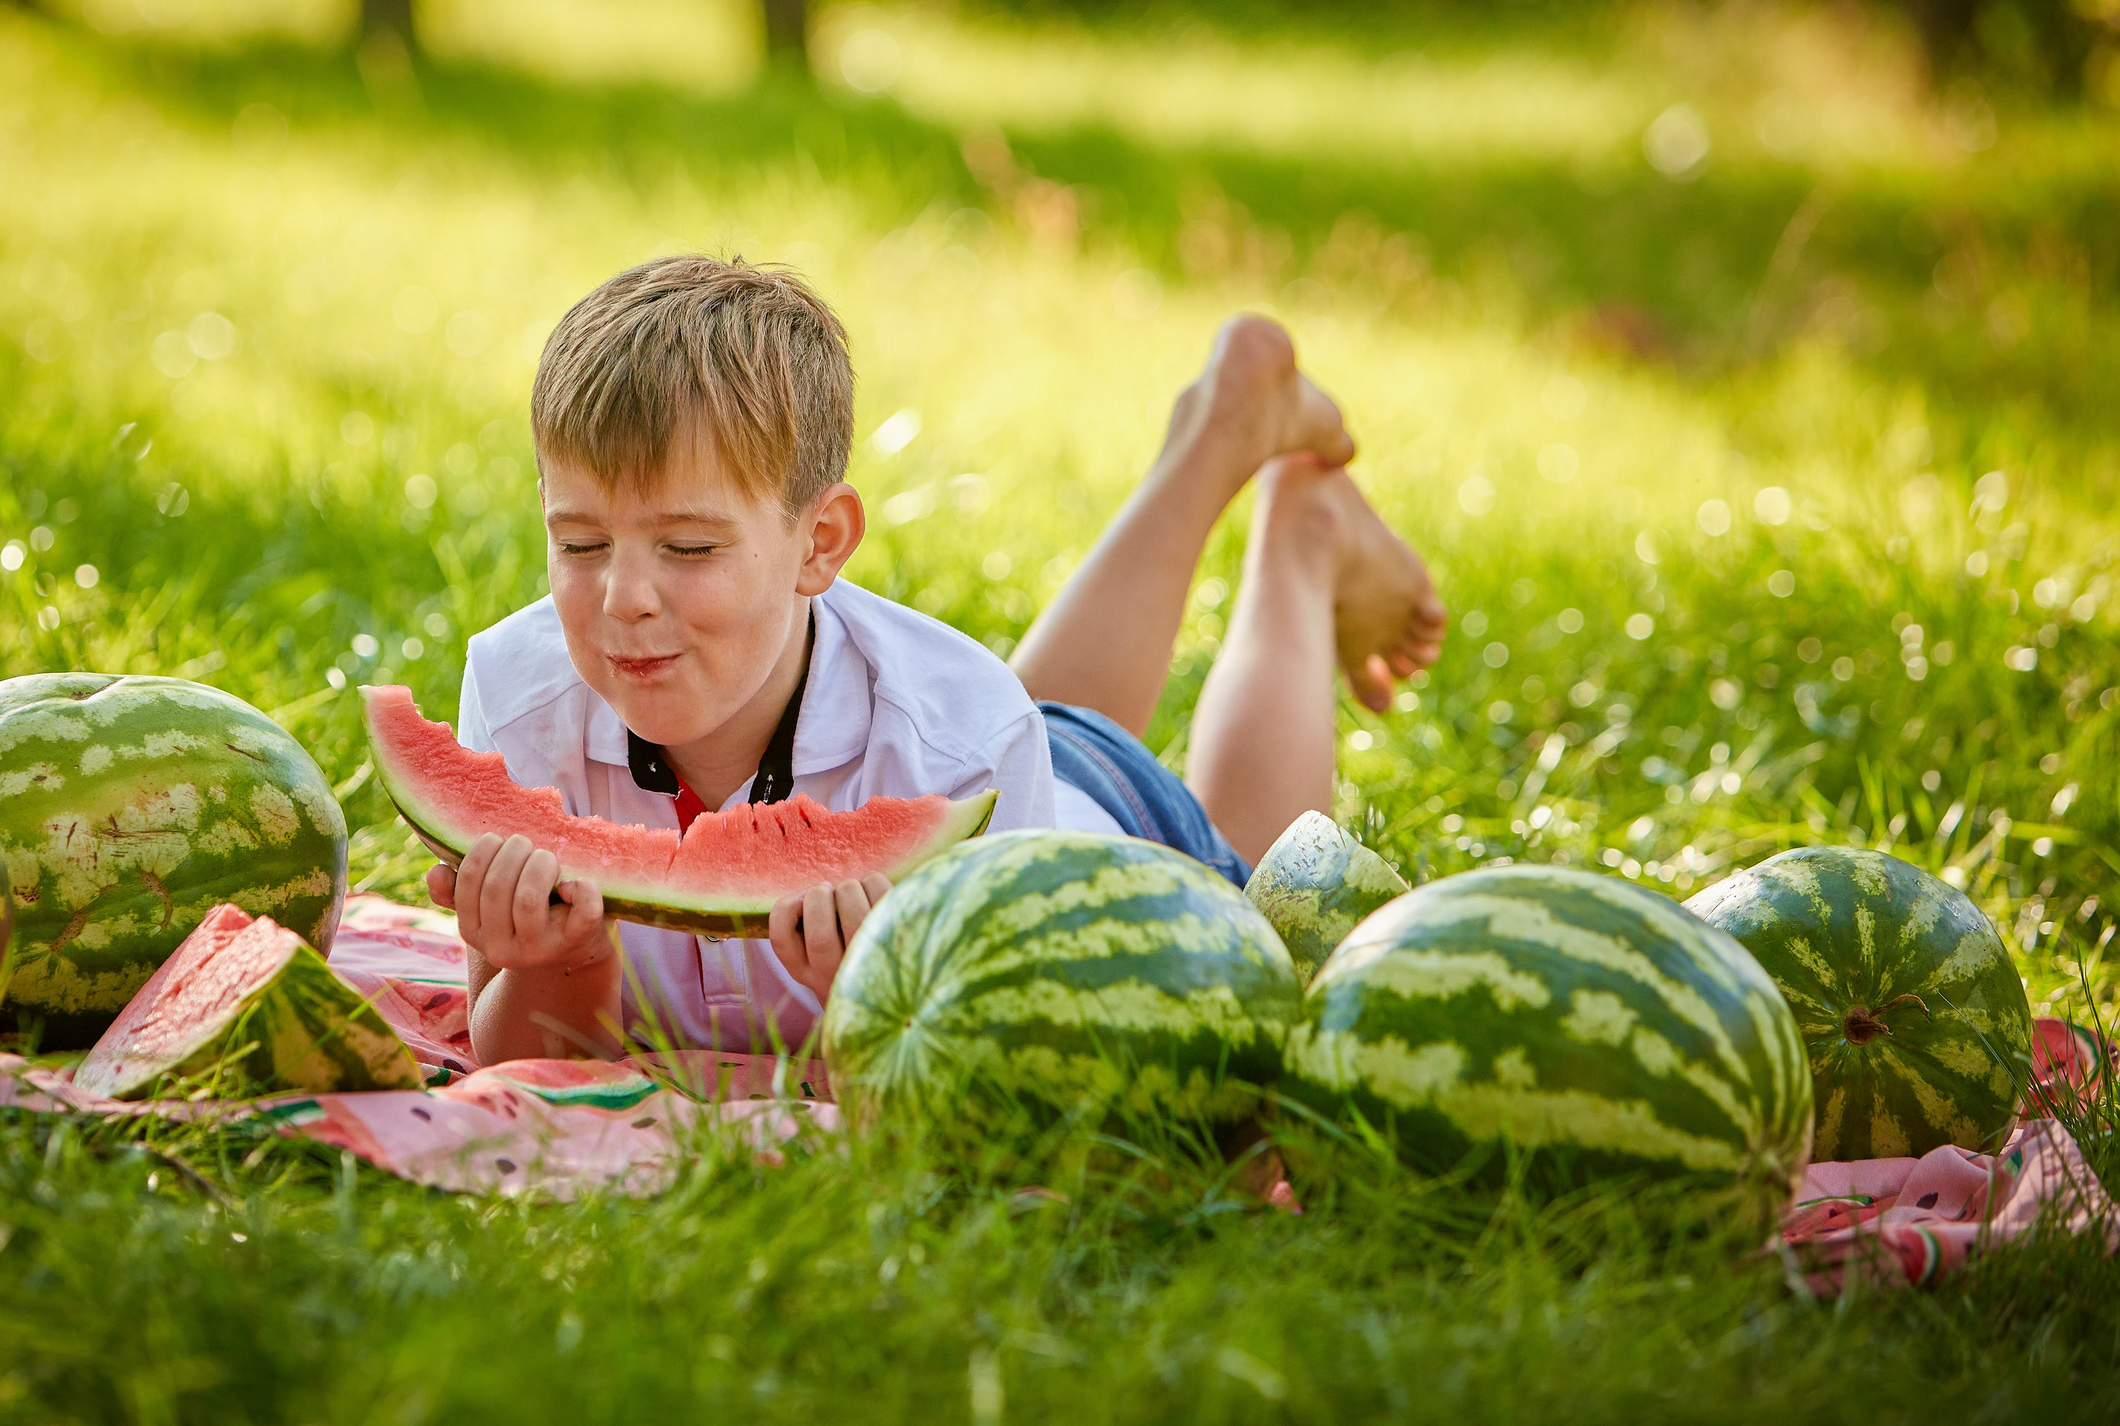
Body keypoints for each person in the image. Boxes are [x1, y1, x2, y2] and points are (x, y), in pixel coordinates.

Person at [423, 255, 1444, 1064]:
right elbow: (513, 1055)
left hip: (1088, 835)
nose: (622, 597)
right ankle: (1225, 424)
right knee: (1023, 717)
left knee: (1264, 875)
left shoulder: (957, 737)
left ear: (819, 545)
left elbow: (998, 1079)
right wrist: (561, 965)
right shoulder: (519, 706)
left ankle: (1300, 540)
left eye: (688, 548)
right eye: (580, 543)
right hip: (969, 749)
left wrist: (875, 993)